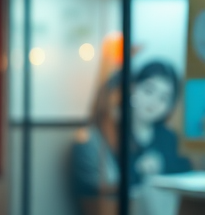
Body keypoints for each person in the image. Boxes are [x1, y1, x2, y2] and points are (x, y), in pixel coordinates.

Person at [73, 60, 190, 198]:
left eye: (163, 98)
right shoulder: (113, 133)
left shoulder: (168, 138)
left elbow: (185, 170)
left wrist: (162, 164)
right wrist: (138, 170)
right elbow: (108, 184)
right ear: (134, 88)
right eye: (149, 91)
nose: (153, 102)